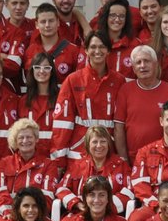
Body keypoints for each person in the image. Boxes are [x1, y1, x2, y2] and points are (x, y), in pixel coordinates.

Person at [51, 31, 123, 162]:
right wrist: (59, 159)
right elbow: (63, 122)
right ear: (86, 51)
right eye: (93, 47)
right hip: (79, 153)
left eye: (102, 47)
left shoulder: (119, 81)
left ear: (108, 50)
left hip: (109, 150)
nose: (97, 51)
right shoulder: (73, 80)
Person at [113, 45, 168, 160]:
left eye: (147, 61)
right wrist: (123, 159)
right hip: (134, 159)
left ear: (156, 64)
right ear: (134, 69)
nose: (142, 66)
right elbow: (119, 128)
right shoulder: (125, 90)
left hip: (164, 158)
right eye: (138, 62)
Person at [0, 118, 59, 221]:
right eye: (21, 138)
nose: (25, 141)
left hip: (36, 216)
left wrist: (31, 213)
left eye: (29, 137)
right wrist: (9, 213)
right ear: (15, 141)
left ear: (36, 139)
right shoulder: (4, 163)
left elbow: (47, 196)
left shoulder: (48, 165)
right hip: (9, 216)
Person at [59, 125, 133, 216]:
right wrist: (77, 203)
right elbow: (61, 188)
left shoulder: (121, 165)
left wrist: (106, 207)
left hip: (112, 216)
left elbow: (130, 190)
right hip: (80, 214)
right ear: (87, 144)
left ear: (108, 144)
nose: (99, 146)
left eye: (103, 141)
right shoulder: (77, 165)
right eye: (94, 142)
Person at [26, 2, 82, 91]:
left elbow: (79, 82)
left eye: (51, 21)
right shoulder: (30, 51)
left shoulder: (73, 50)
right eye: (43, 22)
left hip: (65, 100)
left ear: (58, 22)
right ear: (37, 25)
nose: (47, 25)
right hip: (37, 102)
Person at [22, 53, 62, 166]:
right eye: (37, 67)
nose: (42, 71)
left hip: (53, 160)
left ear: (52, 71)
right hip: (29, 160)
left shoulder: (61, 100)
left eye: (46, 67)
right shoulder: (22, 102)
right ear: (32, 71)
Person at [89, 0, 137, 76]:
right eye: (113, 15)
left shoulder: (135, 45)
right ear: (106, 17)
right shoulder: (93, 43)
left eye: (122, 16)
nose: (117, 20)